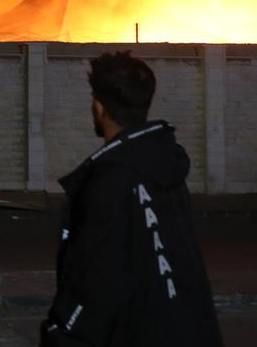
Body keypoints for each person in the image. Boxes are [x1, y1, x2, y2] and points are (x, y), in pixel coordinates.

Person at [41, 51, 222, 346]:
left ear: (99, 107)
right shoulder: (166, 168)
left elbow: (97, 279)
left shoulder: (108, 181)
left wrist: (60, 334)